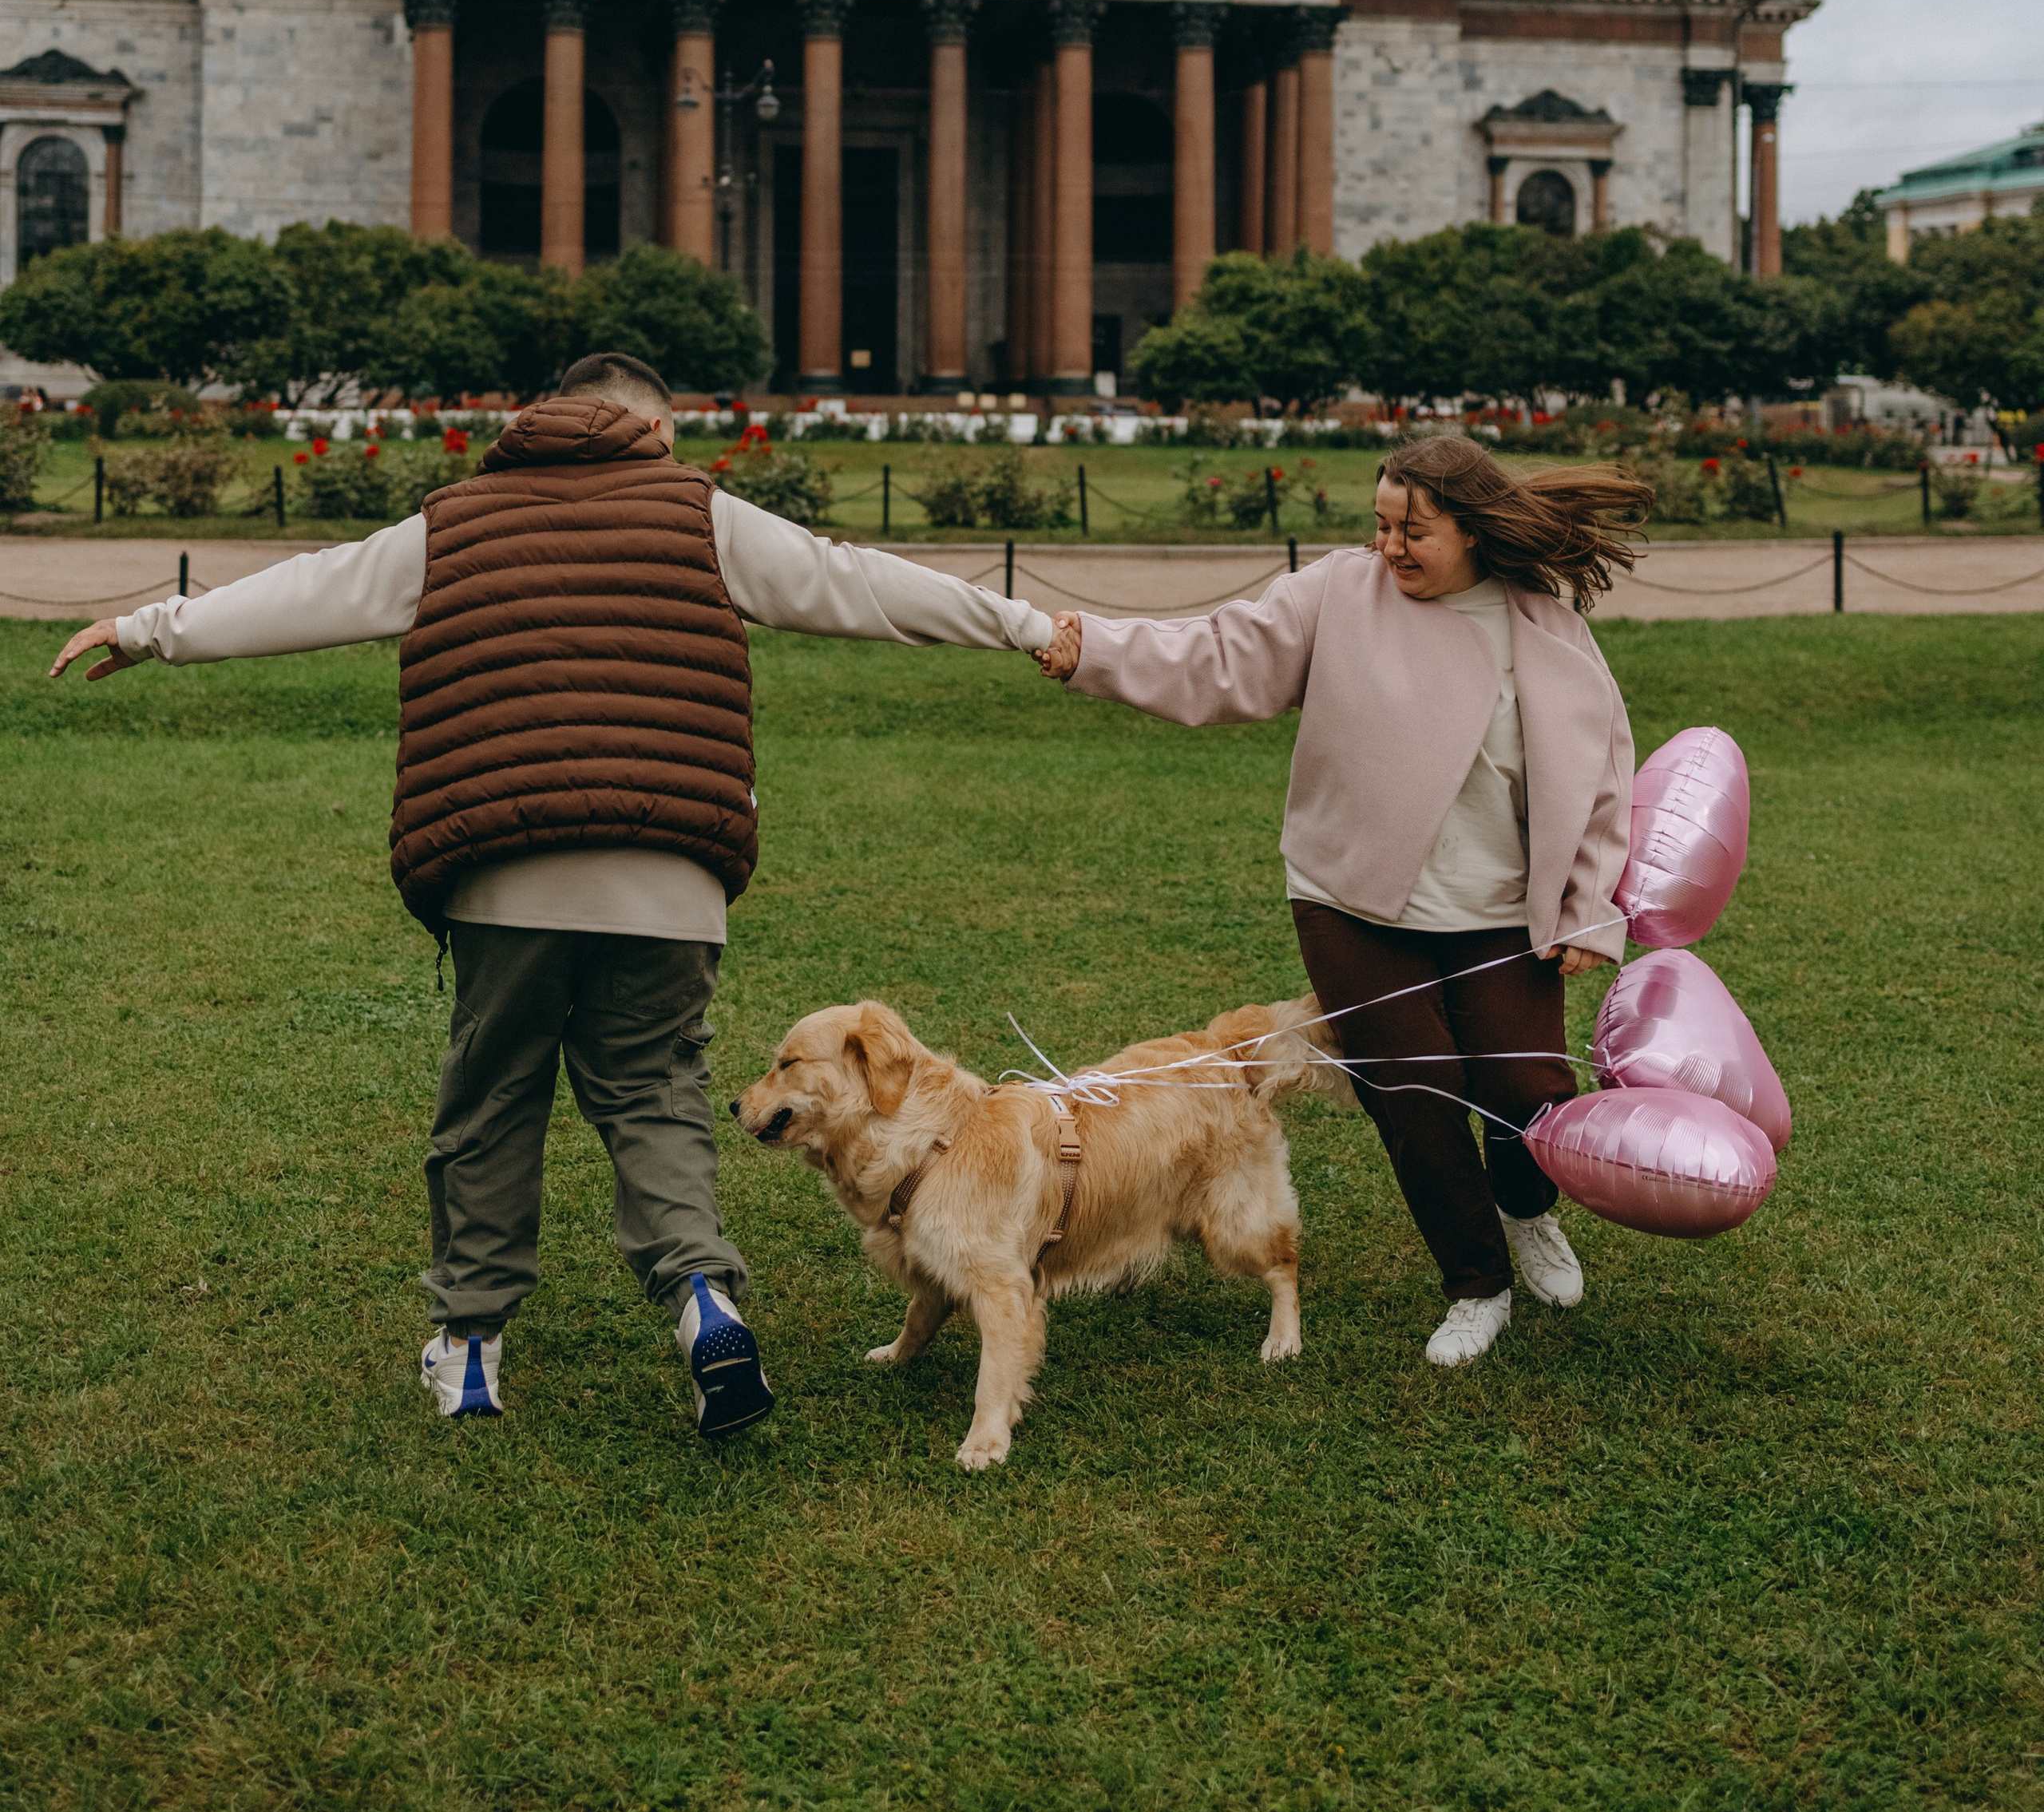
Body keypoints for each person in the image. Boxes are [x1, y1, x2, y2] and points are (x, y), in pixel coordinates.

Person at [49, 354, 1056, 1436]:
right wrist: (1024, 625)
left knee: (493, 1100)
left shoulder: (453, 521)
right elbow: (857, 581)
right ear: (643, 430)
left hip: (502, 863)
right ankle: (703, 1300)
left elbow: (314, 588)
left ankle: (471, 1351)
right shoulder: (701, 514)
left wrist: (149, 628)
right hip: (672, 868)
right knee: (656, 1091)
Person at [1034, 433, 1646, 1369]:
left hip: (1500, 912)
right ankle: (1476, 1285)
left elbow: (1604, 775)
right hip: (1352, 902)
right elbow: (1216, 657)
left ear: (1475, 532)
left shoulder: (1546, 627)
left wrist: (1589, 909)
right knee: (1414, 1096)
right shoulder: (1337, 594)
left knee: (1529, 1093)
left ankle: (1524, 1212)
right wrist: (1094, 650)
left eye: (1415, 530)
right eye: (1381, 523)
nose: (1389, 547)